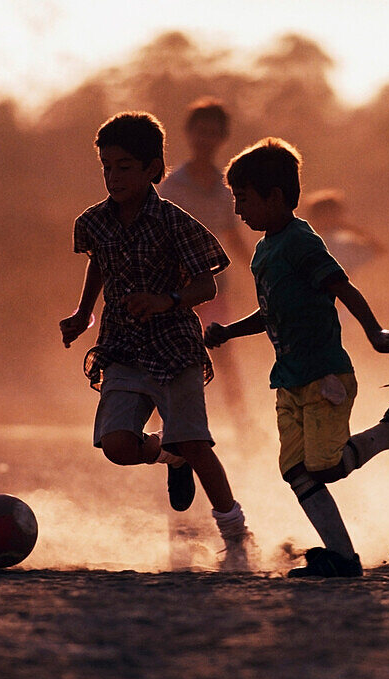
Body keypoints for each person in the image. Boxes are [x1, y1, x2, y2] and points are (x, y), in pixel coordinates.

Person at [205, 138, 389, 578]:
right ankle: (342, 556)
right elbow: (271, 311)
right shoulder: (263, 251)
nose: (238, 210)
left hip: (324, 377)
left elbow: (343, 288)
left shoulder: (302, 242)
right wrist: (230, 332)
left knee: (326, 466)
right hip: (289, 379)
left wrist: (375, 331)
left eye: (244, 198)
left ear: (275, 197)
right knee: (297, 471)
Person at [59, 111, 252, 571]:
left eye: (124, 167)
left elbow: (206, 286)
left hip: (174, 351)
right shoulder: (95, 223)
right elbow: (100, 263)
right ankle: (168, 455)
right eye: (107, 166)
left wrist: (166, 300)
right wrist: (83, 313)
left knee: (197, 445)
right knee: (117, 445)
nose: (113, 176)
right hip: (122, 347)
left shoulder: (174, 223)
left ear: (152, 170)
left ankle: (235, 534)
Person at [158, 98, 256, 437]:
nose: (206, 140)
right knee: (170, 357)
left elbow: (233, 234)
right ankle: (163, 427)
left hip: (214, 286)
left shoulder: (226, 186)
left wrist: (259, 270)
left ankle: (243, 425)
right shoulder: (170, 186)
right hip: (174, 288)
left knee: (223, 354)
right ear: (188, 134)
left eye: (214, 134)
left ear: (222, 138)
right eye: (201, 132)